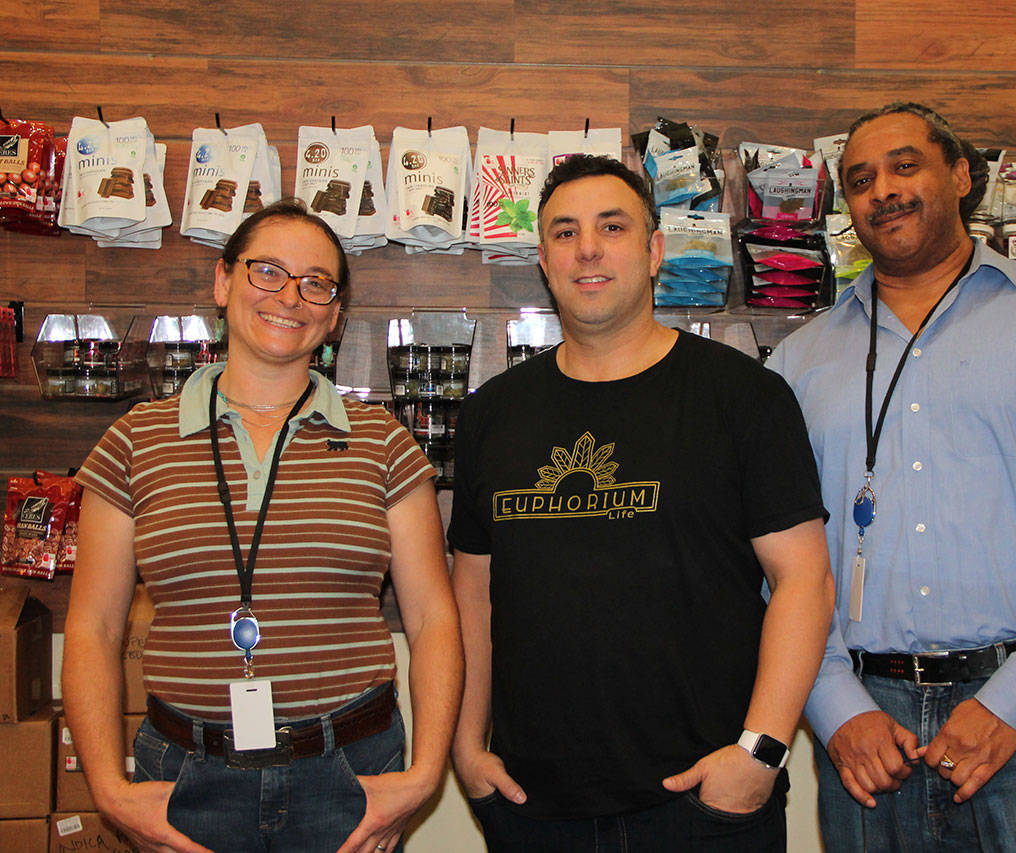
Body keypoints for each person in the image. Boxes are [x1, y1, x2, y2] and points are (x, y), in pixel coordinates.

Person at [768, 103, 1016, 850]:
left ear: (960, 175)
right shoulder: (800, 361)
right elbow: (778, 558)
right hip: (867, 729)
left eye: (904, 166)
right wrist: (831, 703)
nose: (883, 190)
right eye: (860, 180)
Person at [447, 154, 834, 852]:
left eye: (612, 227)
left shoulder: (744, 396)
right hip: (533, 807)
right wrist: (467, 747)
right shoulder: (491, 414)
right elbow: (472, 592)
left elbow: (804, 579)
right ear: (544, 261)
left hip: (705, 804)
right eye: (565, 232)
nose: (588, 249)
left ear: (655, 251)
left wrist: (761, 751)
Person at [62, 199, 463, 853]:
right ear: (223, 282)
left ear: (334, 314)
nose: (290, 297)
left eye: (316, 283)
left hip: (352, 769)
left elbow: (433, 619)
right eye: (268, 271)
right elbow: (93, 627)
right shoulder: (135, 440)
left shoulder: (384, 442)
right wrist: (107, 787)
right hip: (186, 774)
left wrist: (424, 776)